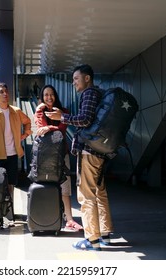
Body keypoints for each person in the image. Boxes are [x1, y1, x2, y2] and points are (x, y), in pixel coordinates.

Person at [44, 64, 113, 251]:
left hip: (89, 151)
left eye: (76, 78)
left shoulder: (89, 94)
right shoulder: (100, 94)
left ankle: (92, 240)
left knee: (86, 195)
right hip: (100, 151)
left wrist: (63, 118)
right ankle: (105, 234)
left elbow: (84, 119)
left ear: (87, 78)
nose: (73, 82)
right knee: (100, 193)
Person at [0, 82, 32, 233]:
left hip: (12, 155)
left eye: (6, 91)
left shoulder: (16, 111)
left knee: (10, 187)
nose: (5, 94)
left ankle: (8, 216)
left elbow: (28, 122)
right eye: (1, 92)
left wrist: (23, 135)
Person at [34, 84, 83, 231]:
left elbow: (61, 130)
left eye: (52, 94)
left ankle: (69, 219)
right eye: (46, 95)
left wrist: (49, 127)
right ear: (42, 98)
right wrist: (39, 110)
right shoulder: (40, 112)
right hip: (45, 155)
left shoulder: (64, 112)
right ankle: (49, 216)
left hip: (62, 153)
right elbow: (40, 128)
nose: (49, 97)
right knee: (47, 185)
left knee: (65, 187)